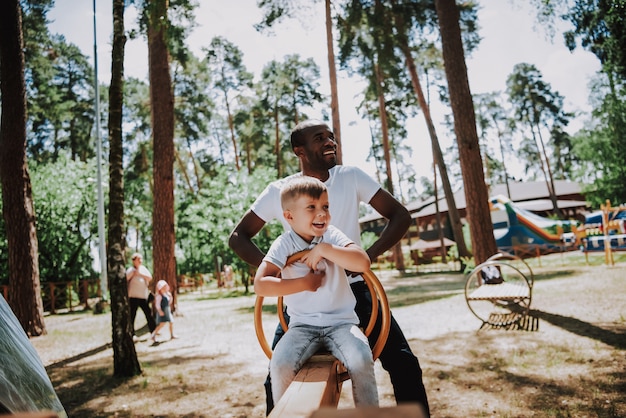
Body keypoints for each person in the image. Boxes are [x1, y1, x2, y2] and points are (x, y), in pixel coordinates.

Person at [229, 119, 430, 416]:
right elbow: (238, 237)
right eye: (319, 138)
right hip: (302, 302)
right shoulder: (282, 191)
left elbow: (399, 216)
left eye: (332, 137)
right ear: (300, 150)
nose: (330, 142)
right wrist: (285, 269)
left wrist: (364, 261)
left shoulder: (350, 177)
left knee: (403, 364)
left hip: (355, 294)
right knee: (276, 374)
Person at [255, 176, 378, 407]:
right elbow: (260, 284)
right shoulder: (284, 244)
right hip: (302, 326)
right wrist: (304, 283)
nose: (322, 213)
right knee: (279, 364)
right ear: (289, 216)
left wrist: (324, 249)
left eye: (326, 207)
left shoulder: (331, 236)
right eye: (312, 207)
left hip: (342, 323)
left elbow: (362, 263)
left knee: (361, 358)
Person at [126, 252, 156, 339]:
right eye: (138, 259)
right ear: (134, 260)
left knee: (148, 314)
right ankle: (132, 334)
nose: (140, 261)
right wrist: (133, 273)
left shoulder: (143, 269)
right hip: (133, 297)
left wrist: (139, 274)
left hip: (143, 296)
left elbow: (149, 278)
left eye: (141, 259)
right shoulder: (130, 270)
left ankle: (153, 331)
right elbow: (126, 279)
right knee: (132, 315)